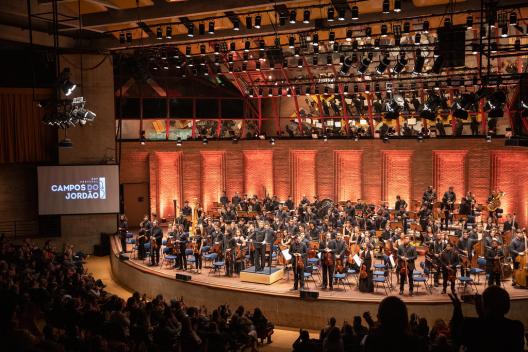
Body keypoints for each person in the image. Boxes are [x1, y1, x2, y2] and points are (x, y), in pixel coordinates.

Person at [449, 286, 525, 351]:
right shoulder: (516, 327)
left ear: (485, 306)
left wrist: (457, 308)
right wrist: (482, 312)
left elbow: (455, 335)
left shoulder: (470, 325)